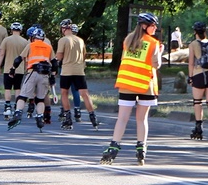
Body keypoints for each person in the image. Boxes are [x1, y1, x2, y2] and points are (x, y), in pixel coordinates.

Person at [100, 12, 163, 166]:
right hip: (144, 85)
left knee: (122, 118)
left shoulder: (128, 39)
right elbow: (156, 65)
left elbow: (124, 59)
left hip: (127, 84)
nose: (155, 28)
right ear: (144, 26)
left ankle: (113, 147)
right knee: (141, 119)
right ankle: (141, 150)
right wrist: (160, 53)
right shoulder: (153, 43)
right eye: (152, 25)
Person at [7, 28, 58, 132]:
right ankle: (40, 117)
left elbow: (19, 59)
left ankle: (18, 113)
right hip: (44, 75)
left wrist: (12, 70)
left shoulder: (30, 45)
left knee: (23, 95)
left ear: (33, 37)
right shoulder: (48, 47)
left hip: (32, 73)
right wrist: (52, 76)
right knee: (40, 99)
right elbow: (55, 63)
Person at [56, 19, 100, 130]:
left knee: (64, 93)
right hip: (79, 71)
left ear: (64, 29)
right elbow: (84, 54)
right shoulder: (80, 40)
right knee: (85, 94)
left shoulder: (63, 40)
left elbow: (59, 57)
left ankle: (68, 118)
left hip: (67, 71)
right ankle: (93, 117)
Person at [188, 21, 208, 141]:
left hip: (198, 74)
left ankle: (198, 128)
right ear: (205, 31)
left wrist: (190, 77)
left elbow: (191, 63)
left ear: (195, 31)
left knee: (197, 102)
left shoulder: (193, 44)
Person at [0, 22, 28, 119]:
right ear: (21, 30)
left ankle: (7, 107)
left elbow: (2, 54)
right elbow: (26, 57)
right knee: (17, 88)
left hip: (8, 68)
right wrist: (26, 68)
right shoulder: (25, 42)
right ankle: (17, 107)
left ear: (11, 30)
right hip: (20, 69)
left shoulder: (6, 40)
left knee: (7, 88)